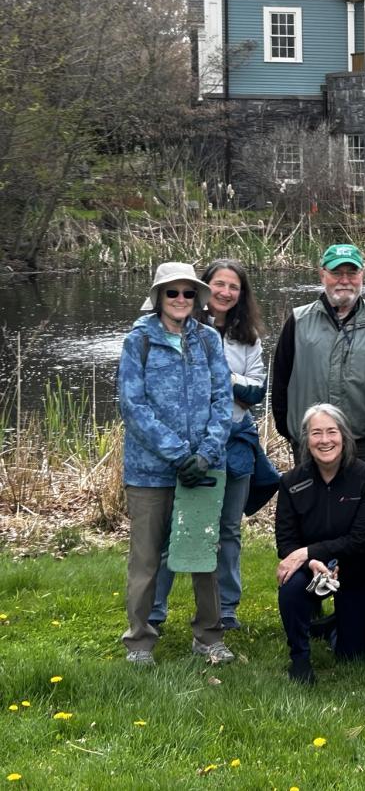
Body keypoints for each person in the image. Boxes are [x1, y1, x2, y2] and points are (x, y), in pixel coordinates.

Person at [117, 262, 234, 667]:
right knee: (147, 560)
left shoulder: (208, 341)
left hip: (203, 467)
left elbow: (223, 398)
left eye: (188, 293)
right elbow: (133, 407)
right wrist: (178, 453)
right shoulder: (139, 341)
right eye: (172, 293)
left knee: (205, 555)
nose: (181, 300)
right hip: (149, 472)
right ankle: (139, 641)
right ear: (158, 298)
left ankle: (208, 635)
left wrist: (205, 453)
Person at [152, 258, 273, 632]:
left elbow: (256, 391)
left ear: (241, 294)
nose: (225, 292)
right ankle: (153, 611)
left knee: (228, 530)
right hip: (190, 445)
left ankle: (226, 609)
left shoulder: (248, 338)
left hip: (235, 441)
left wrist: (219, 376)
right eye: (219, 284)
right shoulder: (182, 329)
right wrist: (228, 384)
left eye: (233, 287)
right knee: (174, 529)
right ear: (205, 288)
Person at [271, 243, 365, 485]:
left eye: (352, 273)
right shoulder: (298, 321)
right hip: (312, 442)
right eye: (336, 273)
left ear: (362, 275)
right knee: (313, 516)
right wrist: (291, 432)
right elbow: (280, 381)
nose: (344, 280)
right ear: (322, 275)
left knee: (363, 518)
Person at [275, 404, 365, 684]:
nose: (325, 440)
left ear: (345, 436)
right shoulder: (291, 482)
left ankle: (333, 624)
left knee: (352, 656)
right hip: (313, 570)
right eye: (316, 433)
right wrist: (310, 561)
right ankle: (299, 656)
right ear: (305, 440)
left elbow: (360, 540)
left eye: (332, 432)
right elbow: (286, 543)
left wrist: (309, 551)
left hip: (360, 571)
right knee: (290, 583)